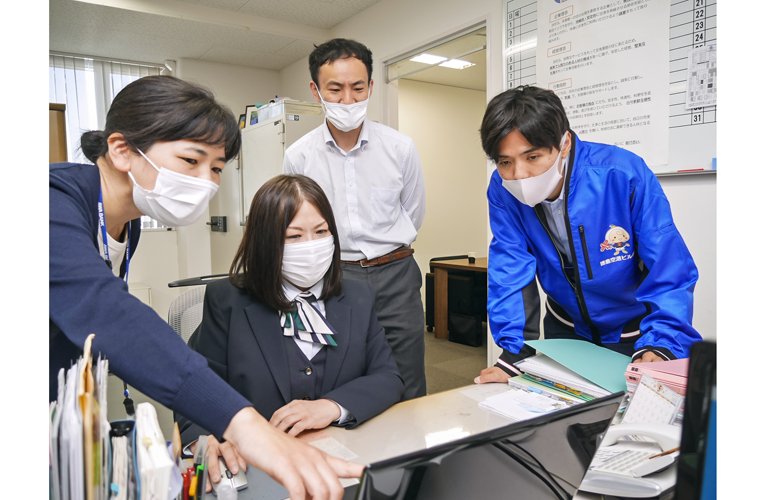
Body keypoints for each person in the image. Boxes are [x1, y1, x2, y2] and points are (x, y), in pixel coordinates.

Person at [49, 75, 361, 500]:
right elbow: (104, 312)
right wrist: (247, 427)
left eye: (216, 168)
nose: (206, 182)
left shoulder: (126, 221)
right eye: (191, 160)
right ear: (122, 150)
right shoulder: (51, 201)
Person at [175, 174, 405, 491]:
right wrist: (202, 440)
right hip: (258, 470)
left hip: (341, 466)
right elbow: (194, 389)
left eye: (321, 231)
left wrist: (331, 407)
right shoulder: (226, 300)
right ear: (265, 242)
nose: (311, 246)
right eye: (294, 236)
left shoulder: (358, 296)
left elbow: (388, 377)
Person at [475, 86, 703, 385]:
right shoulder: (502, 190)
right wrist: (515, 350)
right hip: (563, 328)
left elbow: (667, 265)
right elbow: (510, 264)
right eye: (505, 162)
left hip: (634, 330)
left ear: (564, 143)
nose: (519, 174)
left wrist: (663, 342)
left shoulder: (620, 173)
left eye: (533, 157)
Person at [283, 38, 428, 400]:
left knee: (407, 375)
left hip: (395, 274)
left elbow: (413, 212)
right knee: (338, 373)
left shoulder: (400, 148)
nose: (347, 100)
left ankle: (411, 456)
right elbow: (295, 224)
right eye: (335, 89)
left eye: (357, 88)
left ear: (371, 87)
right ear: (316, 90)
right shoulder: (298, 156)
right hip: (335, 276)